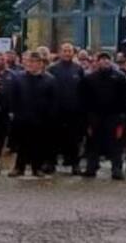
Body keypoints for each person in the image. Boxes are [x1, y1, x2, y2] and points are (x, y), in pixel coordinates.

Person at [7, 51, 56, 177]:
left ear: (40, 64)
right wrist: (13, 112)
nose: (31, 64)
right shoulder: (19, 78)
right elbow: (13, 97)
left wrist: (50, 116)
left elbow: (53, 100)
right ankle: (19, 168)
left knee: (38, 144)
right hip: (22, 116)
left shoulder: (49, 79)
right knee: (21, 144)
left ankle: (37, 168)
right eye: (29, 61)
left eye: (34, 62)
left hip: (41, 117)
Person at [82, 52, 126, 180]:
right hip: (95, 116)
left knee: (116, 144)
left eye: (107, 59)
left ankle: (117, 169)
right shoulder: (89, 78)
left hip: (114, 116)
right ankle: (91, 168)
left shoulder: (120, 77)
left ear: (111, 61)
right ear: (97, 62)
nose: (105, 61)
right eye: (102, 59)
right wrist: (87, 118)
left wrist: (122, 116)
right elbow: (84, 99)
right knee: (93, 143)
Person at [47, 43, 86, 174]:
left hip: (74, 111)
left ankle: (75, 164)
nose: (67, 53)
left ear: (73, 53)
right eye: (64, 51)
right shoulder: (52, 68)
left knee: (74, 139)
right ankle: (51, 163)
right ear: (60, 52)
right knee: (53, 138)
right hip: (56, 110)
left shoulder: (78, 69)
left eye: (69, 51)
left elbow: (83, 89)